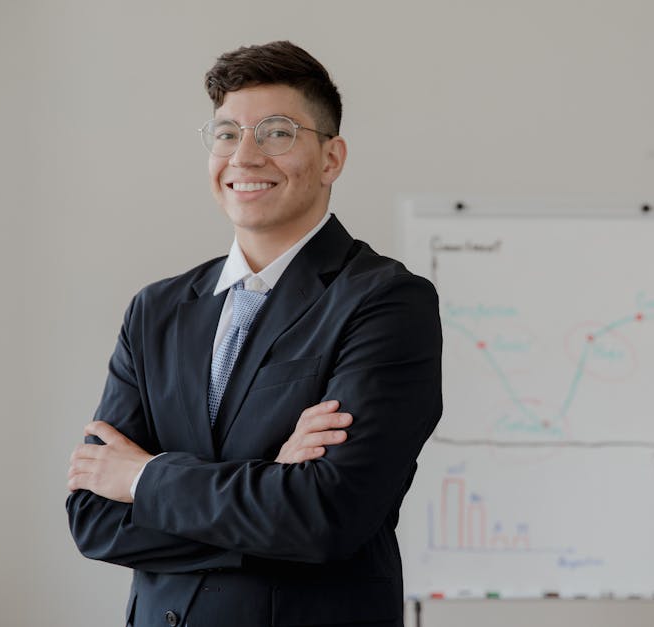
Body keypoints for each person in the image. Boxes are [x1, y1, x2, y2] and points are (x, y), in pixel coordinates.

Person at [66, 41, 442, 627]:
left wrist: (143, 477)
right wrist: (270, 485)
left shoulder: (385, 301)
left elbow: (324, 517)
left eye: (277, 132)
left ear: (331, 158)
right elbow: (93, 516)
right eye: (225, 134)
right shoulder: (156, 311)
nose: (245, 156)